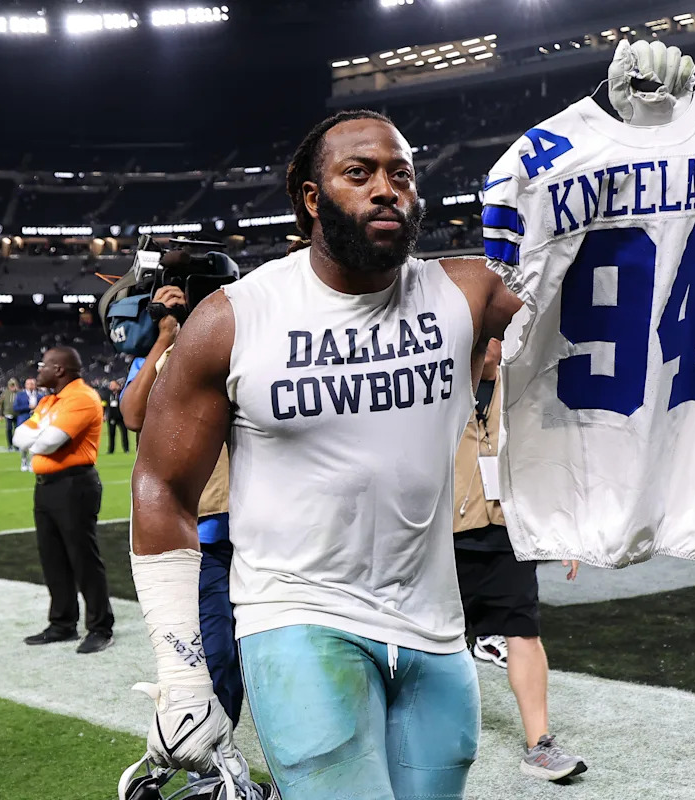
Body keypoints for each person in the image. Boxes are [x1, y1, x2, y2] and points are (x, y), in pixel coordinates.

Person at [128, 110, 522, 799]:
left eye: (401, 174)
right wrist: (184, 675)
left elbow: (601, 293)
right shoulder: (233, 318)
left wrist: (644, 137)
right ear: (312, 199)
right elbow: (160, 486)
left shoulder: (466, 291)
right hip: (296, 618)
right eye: (359, 173)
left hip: (435, 627)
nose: (386, 189)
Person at [120, 280, 254, 789]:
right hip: (198, 528)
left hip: (250, 520)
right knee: (214, 650)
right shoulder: (164, 353)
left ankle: (218, 750)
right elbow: (132, 414)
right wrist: (163, 338)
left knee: (255, 647)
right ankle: (212, 758)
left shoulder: (237, 340)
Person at [452, 338, 587, 782]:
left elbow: (547, 460)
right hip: (443, 536)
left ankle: (540, 743)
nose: (497, 343)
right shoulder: (438, 385)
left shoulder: (522, 389)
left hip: (508, 533)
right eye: (490, 333)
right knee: (437, 642)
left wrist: (564, 530)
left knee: (524, 632)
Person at [13, 347, 114, 655]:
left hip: (74, 484)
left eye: (43, 365)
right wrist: (39, 435)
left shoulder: (82, 397)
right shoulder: (48, 401)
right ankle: (62, 623)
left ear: (59, 369)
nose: (38, 371)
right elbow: (18, 437)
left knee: (83, 558)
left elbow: (47, 442)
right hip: (46, 485)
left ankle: (100, 627)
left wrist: (39, 434)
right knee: (52, 557)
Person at [13, 378, 42, 472]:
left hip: (36, 421)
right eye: (29, 384)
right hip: (24, 420)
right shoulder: (20, 395)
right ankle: (24, 460)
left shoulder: (39, 395)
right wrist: (28, 407)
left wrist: (37, 408)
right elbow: (16, 407)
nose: (31, 385)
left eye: (32, 383)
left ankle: (32, 462)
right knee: (24, 443)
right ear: (25, 385)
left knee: (35, 442)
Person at [99, 379, 129, 455]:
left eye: (113, 385)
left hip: (121, 416)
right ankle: (111, 450)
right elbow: (104, 405)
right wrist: (104, 415)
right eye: (110, 385)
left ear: (117, 385)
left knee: (124, 433)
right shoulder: (108, 394)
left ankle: (126, 449)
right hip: (112, 416)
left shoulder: (122, 393)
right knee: (111, 434)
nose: (111, 386)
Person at [1, 378, 20, 452]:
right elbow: (1, 403)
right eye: (11, 385)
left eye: (13, 385)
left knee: (17, 430)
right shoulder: (5, 393)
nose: (12, 387)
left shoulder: (19, 393)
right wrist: (0, 414)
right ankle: (10, 445)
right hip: (8, 414)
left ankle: (16, 445)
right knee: (9, 429)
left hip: (17, 414)